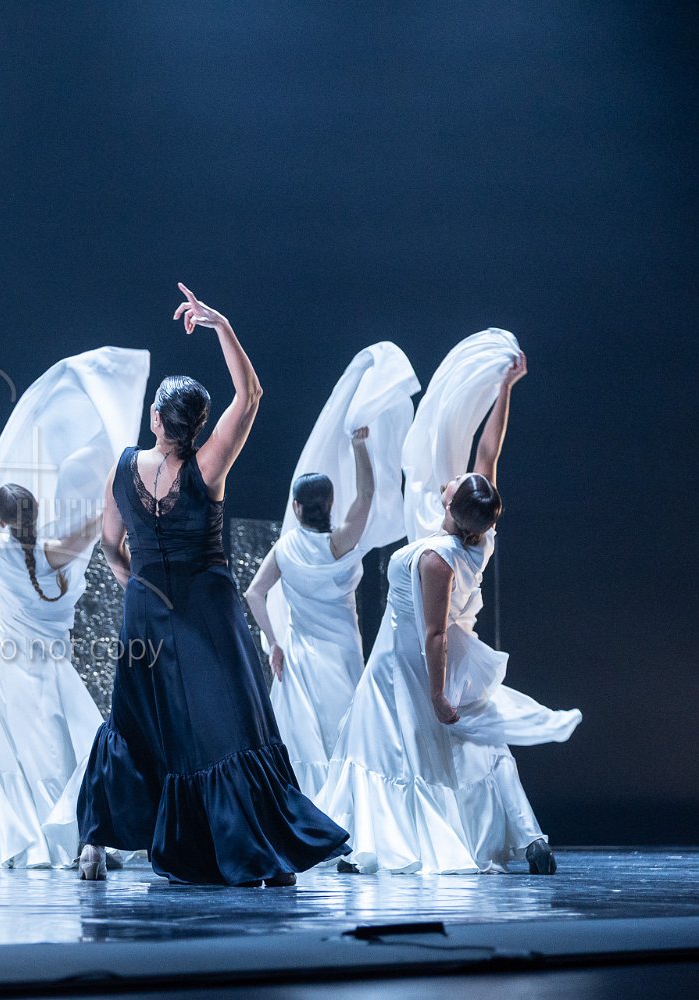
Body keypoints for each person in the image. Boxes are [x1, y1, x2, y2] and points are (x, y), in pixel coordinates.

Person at [76, 284, 349, 885]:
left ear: (156, 419)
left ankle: (95, 841)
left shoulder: (124, 467)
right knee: (227, 725)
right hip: (207, 611)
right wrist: (221, 325)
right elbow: (250, 395)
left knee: (138, 722)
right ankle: (251, 847)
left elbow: (110, 543)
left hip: (147, 610)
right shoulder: (209, 465)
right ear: (198, 425)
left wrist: (137, 586)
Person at [321, 350, 581, 874]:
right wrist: (504, 389)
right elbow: (489, 451)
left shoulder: (438, 556)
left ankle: (386, 843)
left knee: (398, 748)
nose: (456, 476)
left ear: (450, 506)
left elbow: (434, 633)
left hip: (412, 662)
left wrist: (437, 694)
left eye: (457, 483)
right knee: (467, 749)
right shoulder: (480, 534)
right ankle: (522, 835)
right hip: (429, 655)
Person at [0, 484, 108, 869]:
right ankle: (74, 837)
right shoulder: (53, 551)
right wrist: (111, 497)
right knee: (59, 750)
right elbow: (93, 530)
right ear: (36, 512)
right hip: (47, 666)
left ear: (2, 520)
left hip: (2, 664)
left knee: (8, 755)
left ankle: (17, 841)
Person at [244, 428, 374, 799]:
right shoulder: (340, 543)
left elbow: (254, 593)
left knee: (304, 744)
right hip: (343, 655)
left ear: (296, 507)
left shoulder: (285, 548)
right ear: (331, 503)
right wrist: (359, 445)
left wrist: (274, 643)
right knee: (344, 736)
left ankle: (307, 813)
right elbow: (366, 494)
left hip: (299, 659)